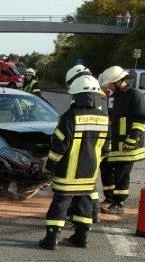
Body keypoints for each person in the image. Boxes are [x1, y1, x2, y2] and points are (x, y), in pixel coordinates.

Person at [38, 74, 110, 250]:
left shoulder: (70, 116)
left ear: (77, 95)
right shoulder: (104, 117)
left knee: (60, 204)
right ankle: (81, 237)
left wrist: (50, 168)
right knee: (84, 204)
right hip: (89, 173)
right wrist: (95, 164)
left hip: (67, 173)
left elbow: (58, 146)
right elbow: (106, 148)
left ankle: (51, 239)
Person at [98, 65, 145, 215]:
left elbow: (143, 118)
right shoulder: (115, 96)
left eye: (110, 84)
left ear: (118, 81)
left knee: (122, 174)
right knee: (106, 167)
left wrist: (132, 139)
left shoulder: (134, 94)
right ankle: (109, 198)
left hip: (129, 145)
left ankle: (119, 203)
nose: (108, 87)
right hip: (115, 144)